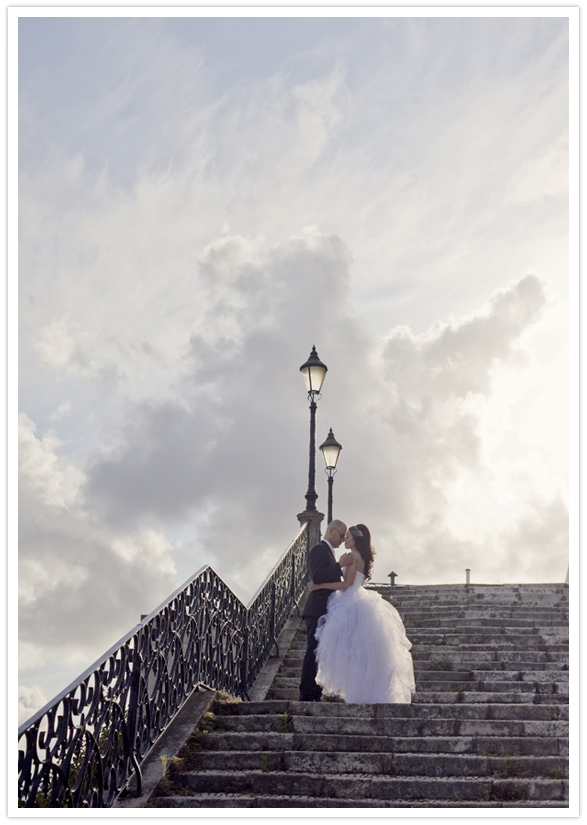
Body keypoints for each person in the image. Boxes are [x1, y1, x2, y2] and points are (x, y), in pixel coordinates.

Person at [310, 524, 415, 704]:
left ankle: (358, 693)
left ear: (355, 539)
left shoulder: (354, 557)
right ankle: (362, 691)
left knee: (353, 652)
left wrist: (319, 586)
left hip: (350, 601)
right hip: (355, 599)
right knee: (358, 652)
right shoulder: (358, 557)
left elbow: (346, 585)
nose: (345, 539)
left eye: (348, 536)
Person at [299, 519, 353, 702]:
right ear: (331, 531)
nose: (343, 539)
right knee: (312, 651)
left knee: (320, 651)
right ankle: (306, 693)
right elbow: (318, 576)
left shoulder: (328, 551)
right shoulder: (319, 549)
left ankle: (314, 691)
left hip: (326, 608)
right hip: (316, 609)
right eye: (342, 535)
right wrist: (339, 565)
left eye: (346, 536)